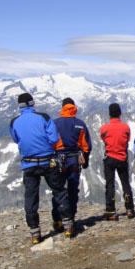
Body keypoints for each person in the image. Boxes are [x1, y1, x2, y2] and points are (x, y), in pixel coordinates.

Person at [9, 93, 74, 244]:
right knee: (59, 191)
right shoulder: (44, 117)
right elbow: (54, 139)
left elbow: (16, 139)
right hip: (48, 161)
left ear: (19, 106)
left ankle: (35, 233)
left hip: (29, 164)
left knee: (31, 197)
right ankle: (68, 226)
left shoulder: (14, 122)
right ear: (32, 103)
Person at [52, 98, 92, 233]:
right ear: (74, 107)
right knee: (72, 190)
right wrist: (85, 160)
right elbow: (86, 146)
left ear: (62, 108)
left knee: (58, 190)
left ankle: (58, 219)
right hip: (74, 161)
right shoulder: (80, 124)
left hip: (58, 161)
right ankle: (70, 219)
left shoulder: (54, 123)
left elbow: (50, 142)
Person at [100, 103, 134, 221]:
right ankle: (129, 209)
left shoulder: (104, 128)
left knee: (110, 184)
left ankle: (111, 211)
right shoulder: (126, 127)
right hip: (122, 157)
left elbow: (103, 138)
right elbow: (127, 139)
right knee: (125, 182)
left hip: (109, 157)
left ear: (109, 114)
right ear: (120, 113)